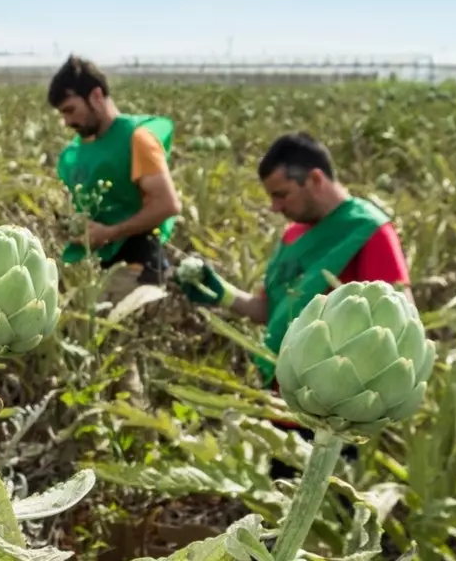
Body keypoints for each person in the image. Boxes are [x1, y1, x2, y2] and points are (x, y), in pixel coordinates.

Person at [174, 131, 412, 388]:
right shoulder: (293, 234)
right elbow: (271, 311)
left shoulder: (368, 231)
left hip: (331, 397)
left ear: (315, 179)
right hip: (277, 390)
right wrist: (221, 292)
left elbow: (400, 319)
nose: (274, 207)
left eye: (281, 194)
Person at [47, 55, 184, 301]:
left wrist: (110, 232)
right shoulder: (77, 151)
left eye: (70, 110)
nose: (67, 121)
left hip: (137, 265)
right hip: (101, 263)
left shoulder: (137, 138)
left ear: (96, 96)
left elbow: (168, 204)